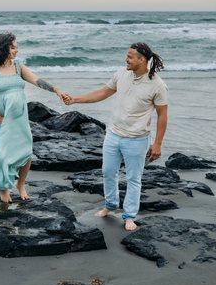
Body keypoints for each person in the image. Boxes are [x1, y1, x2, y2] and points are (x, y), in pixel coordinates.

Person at [63, 42, 168, 231]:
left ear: (142, 60)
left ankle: (129, 216)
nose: (126, 59)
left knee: (133, 178)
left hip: (137, 139)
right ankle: (110, 205)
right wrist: (76, 99)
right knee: (108, 172)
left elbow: (162, 115)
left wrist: (157, 144)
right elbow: (103, 93)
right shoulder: (121, 74)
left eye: (130, 57)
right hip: (113, 134)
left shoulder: (158, 85)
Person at [0, 32, 67, 203]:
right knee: (1, 151)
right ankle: (4, 188)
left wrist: (55, 89)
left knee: (26, 150)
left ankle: (20, 184)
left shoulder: (18, 66)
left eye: (16, 48)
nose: (16, 51)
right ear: (3, 48)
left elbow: (37, 81)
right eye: (12, 47)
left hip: (18, 116)